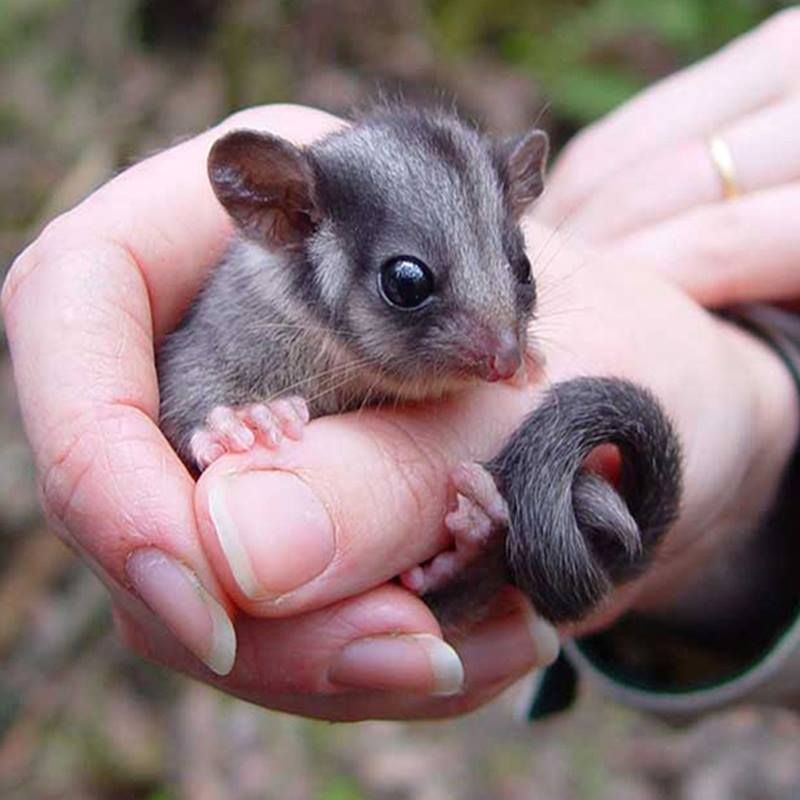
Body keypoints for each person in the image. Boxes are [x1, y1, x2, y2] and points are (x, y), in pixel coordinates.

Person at [2, 9, 799, 722]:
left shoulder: (502, 347)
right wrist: (221, 427)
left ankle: (477, 557)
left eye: (515, 273)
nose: (505, 350)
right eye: (410, 285)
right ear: (288, 217)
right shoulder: (258, 310)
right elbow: (184, 409)